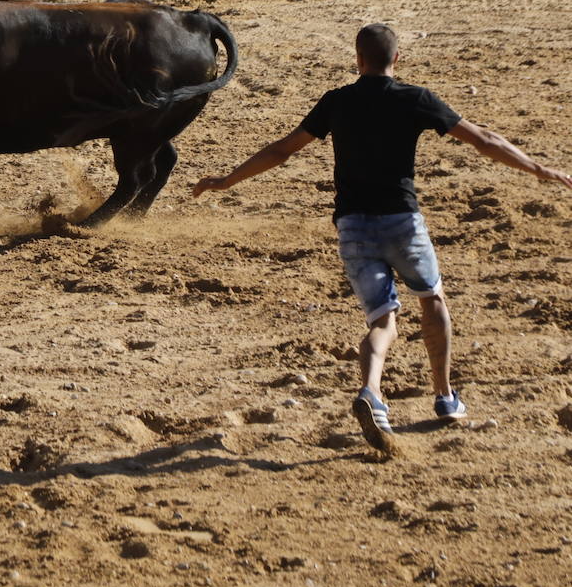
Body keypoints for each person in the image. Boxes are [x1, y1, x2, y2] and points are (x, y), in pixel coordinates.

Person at [192, 24, 572, 451]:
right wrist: (538, 168)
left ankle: (372, 391)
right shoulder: (415, 99)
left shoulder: (337, 102)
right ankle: (445, 397)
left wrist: (227, 181)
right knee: (432, 299)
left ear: (358, 59)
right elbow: (484, 139)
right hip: (402, 223)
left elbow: (282, 150)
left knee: (382, 321)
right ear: (398, 58)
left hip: (352, 226)